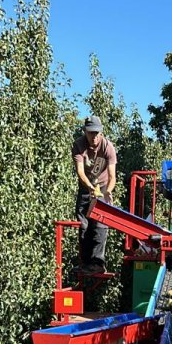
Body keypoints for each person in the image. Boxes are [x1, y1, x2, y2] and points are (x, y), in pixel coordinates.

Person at [73, 115, 118, 274]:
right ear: (85, 132)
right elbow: (80, 171)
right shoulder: (79, 145)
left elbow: (112, 176)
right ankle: (85, 263)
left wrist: (107, 192)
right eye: (91, 133)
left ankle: (98, 263)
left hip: (103, 188)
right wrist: (90, 187)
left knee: (100, 225)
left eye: (97, 133)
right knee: (83, 225)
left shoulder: (108, 147)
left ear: (101, 132)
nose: (94, 136)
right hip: (86, 188)